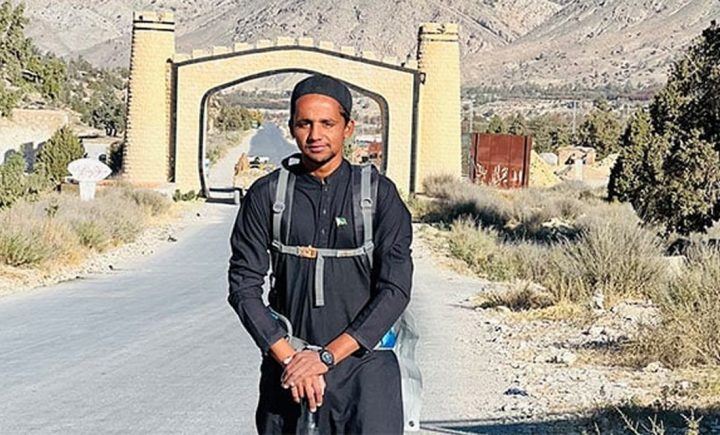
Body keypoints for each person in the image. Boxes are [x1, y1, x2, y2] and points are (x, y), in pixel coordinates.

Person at [228, 74, 413, 434]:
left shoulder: (379, 195)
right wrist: (291, 358)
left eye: (327, 123)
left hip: (365, 372)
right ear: (291, 128)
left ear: (348, 128)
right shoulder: (267, 195)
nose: (315, 135)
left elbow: (395, 289)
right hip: (290, 372)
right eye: (305, 123)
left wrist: (325, 358)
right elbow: (243, 287)